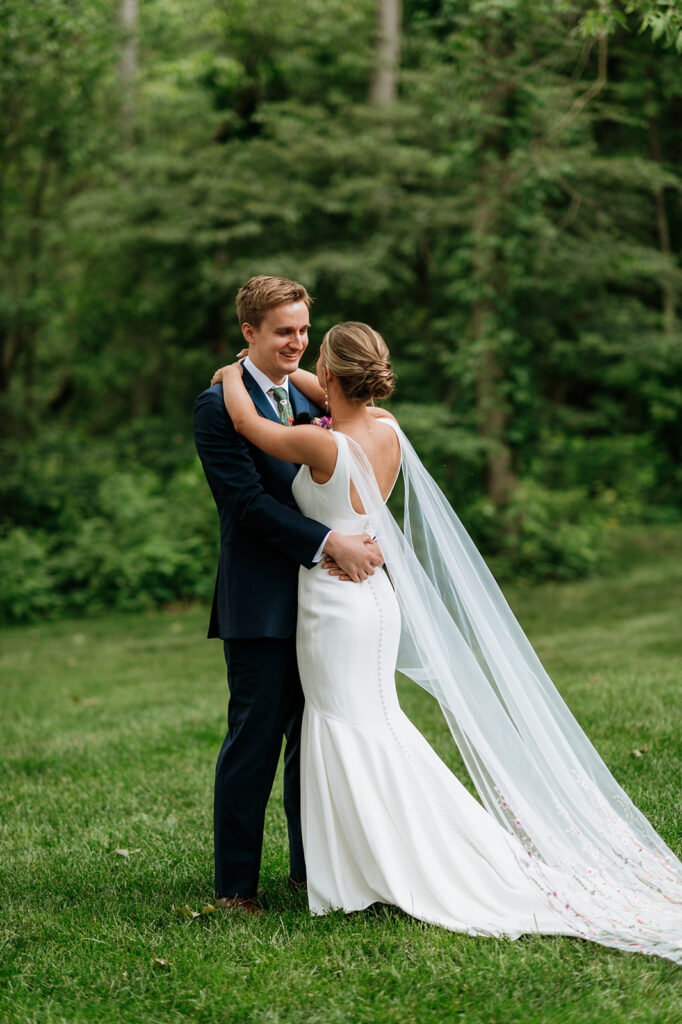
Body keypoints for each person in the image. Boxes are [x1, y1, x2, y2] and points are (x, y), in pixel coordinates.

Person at [211, 319, 682, 964]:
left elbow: (250, 427)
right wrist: (289, 369)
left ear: (331, 378)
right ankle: (353, 859)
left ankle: (369, 863)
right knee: (370, 723)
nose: (306, 361)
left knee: (342, 725)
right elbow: (321, 397)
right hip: (376, 598)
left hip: (336, 603)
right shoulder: (389, 431)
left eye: (314, 351)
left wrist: (234, 375)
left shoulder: (322, 446)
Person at [193, 278, 382, 914]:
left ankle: (312, 871)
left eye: (304, 330)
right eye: (283, 331)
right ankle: (236, 888)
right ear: (249, 332)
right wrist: (331, 541)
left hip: (325, 604)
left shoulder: (312, 398)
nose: (297, 342)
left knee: (315, 741)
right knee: (255, 740)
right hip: (263, 602)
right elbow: (245, 506)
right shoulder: (218, 408)